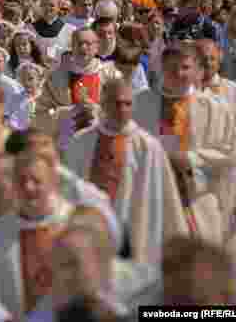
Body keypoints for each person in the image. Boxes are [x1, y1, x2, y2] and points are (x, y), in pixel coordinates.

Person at [63, 79, 189, 263]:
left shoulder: (148, 146)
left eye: (127, 103)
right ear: (103, 103)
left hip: (132, 235)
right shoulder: (81, 142)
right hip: (89, 234)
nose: (122, 109)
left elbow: (166, 199)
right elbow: (66, 193)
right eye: (116, 103)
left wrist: (179, 246)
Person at [132, 43, 236, 248]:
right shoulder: (140, 103)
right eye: (170, 67)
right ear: (160, 68)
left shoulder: (216, 108)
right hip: (151, 198)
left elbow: (230, 153)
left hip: (196, 200)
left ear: (197, 71)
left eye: (184, 67)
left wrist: (190, 160)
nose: (177, 73)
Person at [0, 147, 73, 318]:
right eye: (22, 181)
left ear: (52, 182)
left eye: (36, 181)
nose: (28, 187)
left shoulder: (72, 223)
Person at [34, 28, 122, 142]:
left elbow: (123, 112)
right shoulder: (55, 77)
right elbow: (39, 116)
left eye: (88, 43)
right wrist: (64, 113)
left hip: (102, 144)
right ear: (72, 46)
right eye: (79, 43)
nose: (83, 47)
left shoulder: (111, 74)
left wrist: (97, 111)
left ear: (97, 47)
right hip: (66, 144)